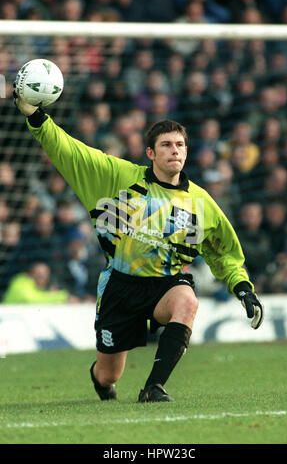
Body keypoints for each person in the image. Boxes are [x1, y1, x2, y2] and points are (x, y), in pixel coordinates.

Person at [13, 92, 264, 403]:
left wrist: (243, 288)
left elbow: (223, 251)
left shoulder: (201, 203)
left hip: (166, 283)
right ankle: (101, 381)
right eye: (167, 145)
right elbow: (70, 152)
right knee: (108, 375)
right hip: (120, 285)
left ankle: (153, 388)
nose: (175, 151)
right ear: (150, 152)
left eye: (180, 145)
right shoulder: (118, 178)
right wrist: (36, 118)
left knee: (187, 302)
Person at [2, 262, 79, 304]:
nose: (44, 280)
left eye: (46, 276)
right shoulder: (20, 282)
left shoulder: (32, 287)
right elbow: (33, 299)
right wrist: (63, 297)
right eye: (40, 276)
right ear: (30, 274)